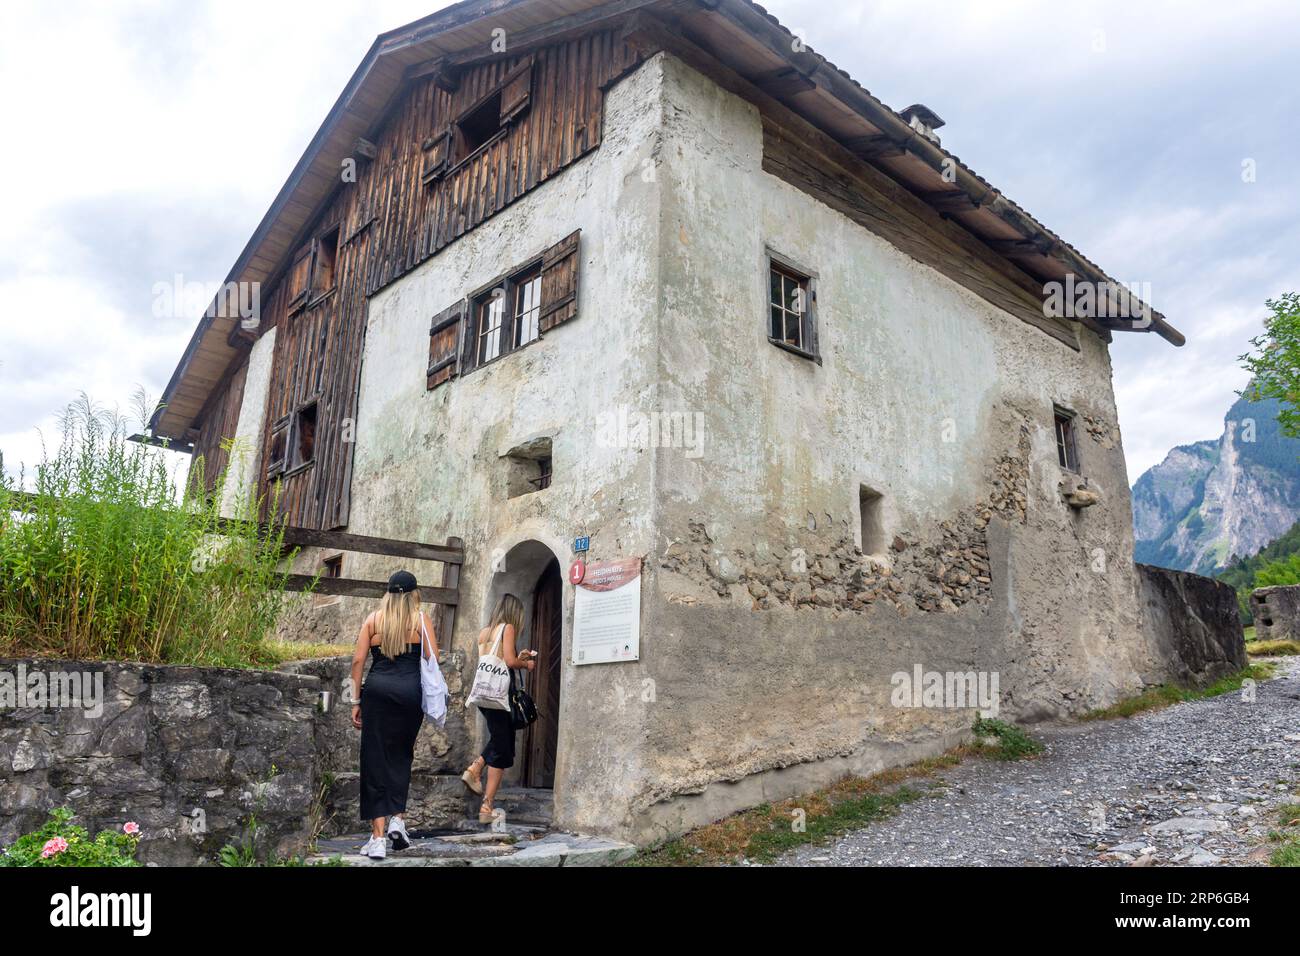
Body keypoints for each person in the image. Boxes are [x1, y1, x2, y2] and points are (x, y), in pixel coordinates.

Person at [350, 569, 438, 859]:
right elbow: (432, 659)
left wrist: (355, 700)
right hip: (409, 694)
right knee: (402, 755)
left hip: (376, 692)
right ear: (414, 594)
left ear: (387, 594)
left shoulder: (373, 620)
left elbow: (358, 660)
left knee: (375, 759)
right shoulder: (421, 620)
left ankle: (377, 838)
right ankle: (397, 821)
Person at [461, 594, 537, 823]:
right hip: (500, 697)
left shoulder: (485, 632)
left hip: (484, 696)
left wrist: (515, 656)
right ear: (514, 612)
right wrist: (527, 663)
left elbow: (496, 659)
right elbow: (511, 663)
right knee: (502, 749)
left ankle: (476, 769)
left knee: (500, 741)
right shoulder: (508, 628)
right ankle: (486, 805)